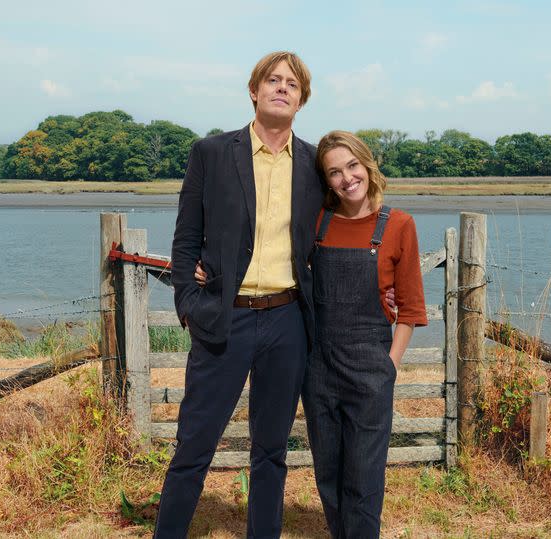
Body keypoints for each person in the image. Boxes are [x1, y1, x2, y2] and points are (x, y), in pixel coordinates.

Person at [154, 51, 325, 538]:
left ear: (301, 101)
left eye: (292, 85)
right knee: (194, 444)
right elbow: (186, 239)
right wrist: (189, 303)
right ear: (254, 91)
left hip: (288, 320)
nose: (281, 88)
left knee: (271, 450)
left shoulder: (314, 162)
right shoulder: (211, 152)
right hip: (224, 317)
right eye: (273, 80)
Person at [303, 130, 427, 536]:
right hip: (319, 366)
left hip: (370, 368)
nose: (347, 178)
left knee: (364, 477)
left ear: (367, 165)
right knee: (328, 474)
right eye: (334, 172)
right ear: (327, 180)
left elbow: (408, 310)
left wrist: (388, 366)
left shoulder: (398, 225)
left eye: (352, 165)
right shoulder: (317, 222)